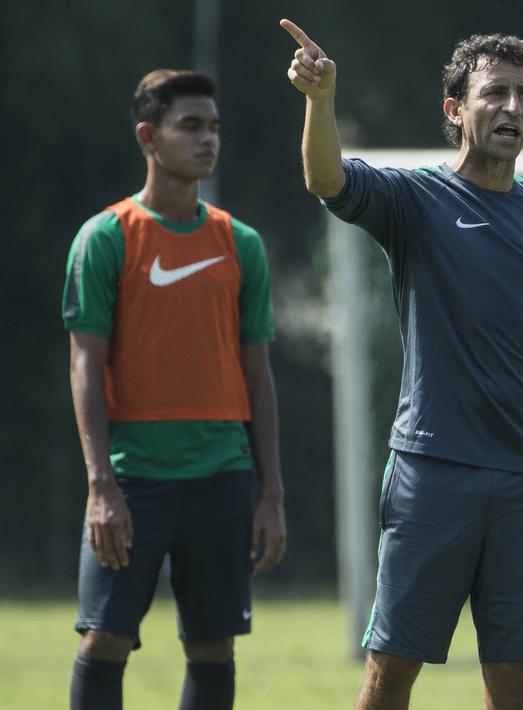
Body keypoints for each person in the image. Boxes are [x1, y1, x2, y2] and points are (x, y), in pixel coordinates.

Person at [279, 18, 523, 710]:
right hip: (434, 473)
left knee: (514, 685)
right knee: (390, 674)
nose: (513, 108)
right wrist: (320, 101)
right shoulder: (414, 201)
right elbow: (325, 177)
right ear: (455, 110)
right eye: (496, 93)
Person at [62, 69, 286, 710]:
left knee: (213, 650)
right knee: (103, 639)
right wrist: (100, 483)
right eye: (190, 126)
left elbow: (257, 375)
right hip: (132, 479)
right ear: (148, 137)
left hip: (222, 475)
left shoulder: (240, 244)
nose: (207, 139)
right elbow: (83, 365)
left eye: (213, 126)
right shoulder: (105, 238)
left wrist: (271, 494)